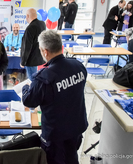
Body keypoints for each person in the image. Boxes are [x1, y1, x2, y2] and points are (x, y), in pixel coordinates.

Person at [22, 30, 88, 164]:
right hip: (76, 128)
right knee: (71, 157)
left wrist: (26, 87)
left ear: (45, 52)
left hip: (56, 134)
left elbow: (29, 101)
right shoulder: (78, 66)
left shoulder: (44, 77)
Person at [20, 8, 46, 81]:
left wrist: (23, 61)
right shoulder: (42, 24)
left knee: (33, 80)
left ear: (27, 16)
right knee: (35, 78)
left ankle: (34, 92)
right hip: (39, 56)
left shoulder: (30, 28)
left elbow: (27, 47)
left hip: (31, 60)